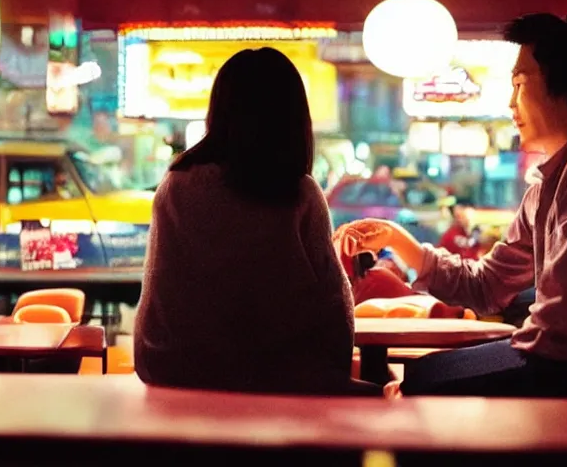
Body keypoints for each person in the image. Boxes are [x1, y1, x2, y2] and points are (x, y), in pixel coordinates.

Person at [336, 13, 567, 397]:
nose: (510, 103)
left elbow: (563, 324)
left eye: (520, 83)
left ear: (564, 85)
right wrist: (399, 242)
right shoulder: (551, 178)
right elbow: (489, 286)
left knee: (420, 385)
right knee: (418, 379)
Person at [133, 48, 381, 396]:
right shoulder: (299, 193)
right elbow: (334, 311)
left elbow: (161, 294)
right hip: (281, 380)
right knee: (383, 397)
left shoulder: (177, 185)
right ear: (294, 119)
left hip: (172, 371)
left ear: (218, 111)